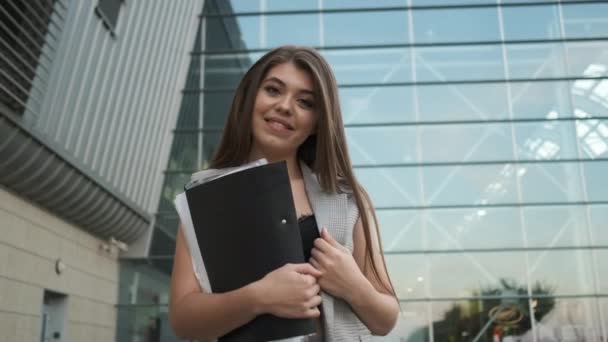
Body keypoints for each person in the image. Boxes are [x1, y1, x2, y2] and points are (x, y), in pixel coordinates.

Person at [169, 46, 399, 341]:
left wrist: (353, 285)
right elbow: (183, 321)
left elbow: (385, 320)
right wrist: (259, 297)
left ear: (318, 122)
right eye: (273, 90)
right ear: (250, 97)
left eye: (305, 102)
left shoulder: (348, 200)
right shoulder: (205, 198)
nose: (285, 106)